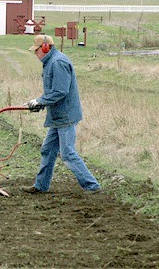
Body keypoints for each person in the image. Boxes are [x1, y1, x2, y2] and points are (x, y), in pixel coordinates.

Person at [21, 34, 102, 194]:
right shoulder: (50, 62)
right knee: (48, 150)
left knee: (67, 153)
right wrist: (40, 103)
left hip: (65, 115)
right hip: (57, 116)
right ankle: (41, 186)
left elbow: (60, 91)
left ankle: (92, 186)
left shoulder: (58, 62)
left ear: (45, 48)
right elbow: (53, 92)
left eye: (36, 50)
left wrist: (40, 101)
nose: (35, 54)